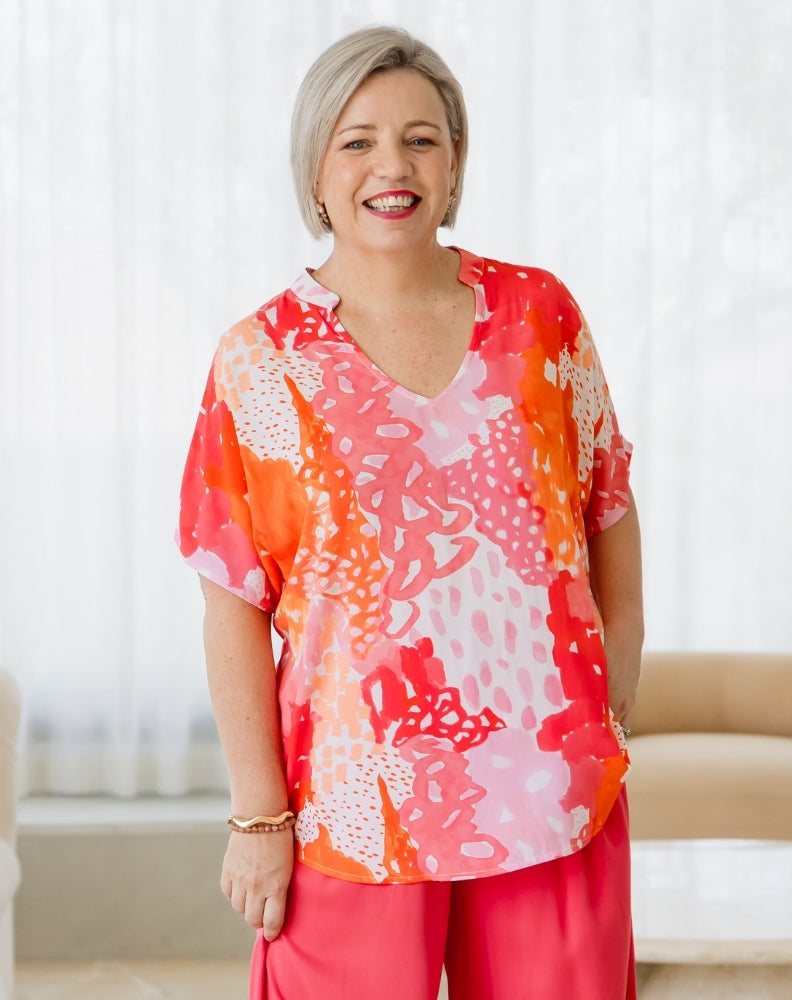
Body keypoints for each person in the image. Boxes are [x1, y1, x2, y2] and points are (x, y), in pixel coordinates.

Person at [177, 25, 644, 1000]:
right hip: (349, 804)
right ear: (314, 169)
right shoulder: (261, 361)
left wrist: (606, 714)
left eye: (422, 138)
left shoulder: (540, 315)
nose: (393, 165)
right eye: (358, 141)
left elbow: (607, 510)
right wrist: (259, 817)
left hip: (551, 790)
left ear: (456, 161)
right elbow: (234, 602)